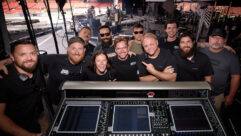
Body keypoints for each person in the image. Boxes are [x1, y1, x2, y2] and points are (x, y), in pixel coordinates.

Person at [0, 40, 43, 136]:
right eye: (22, 54)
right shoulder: (3, 78)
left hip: (34, 126)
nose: (29, 58)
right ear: (12, 57)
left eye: (32, 53)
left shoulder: (38, 66)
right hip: (14, 131)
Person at [41, 37, 90, 107]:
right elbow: (33, 61)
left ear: (84, 50)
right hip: (56, 105)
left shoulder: (89, 61)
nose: (77, 52)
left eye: (80, 49)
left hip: (80, 103)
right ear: (68, 49)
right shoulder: (53, 60)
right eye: (73, 48)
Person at [199, 28, 240, 113]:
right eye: (214, 37)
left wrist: (231, 96)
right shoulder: (200, 51)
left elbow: (235, 77)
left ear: (225, 40)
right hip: (198, 91)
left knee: (214, 117)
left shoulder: (231, 57)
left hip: (217, 95)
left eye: (220, 38)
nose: (216, 40)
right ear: (210, 38)